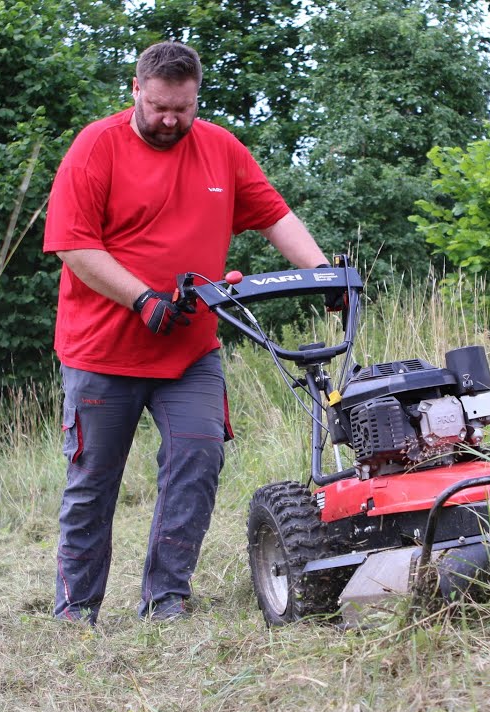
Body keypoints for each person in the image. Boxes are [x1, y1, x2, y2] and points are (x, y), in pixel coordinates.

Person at [42, 40, 330, 623]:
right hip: (102, 351)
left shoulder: (220, 149)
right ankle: (75, 610)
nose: (170, 120)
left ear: (197, 96)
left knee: (198, 459)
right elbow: (73, 245)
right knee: (94, 481)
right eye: (158, 108)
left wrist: (324, 273)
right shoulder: (96, 147)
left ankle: (166, 597)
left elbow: (274, 215)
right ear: (136, 91)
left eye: (183, 108)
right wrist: (141, 298)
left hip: (190, 350)